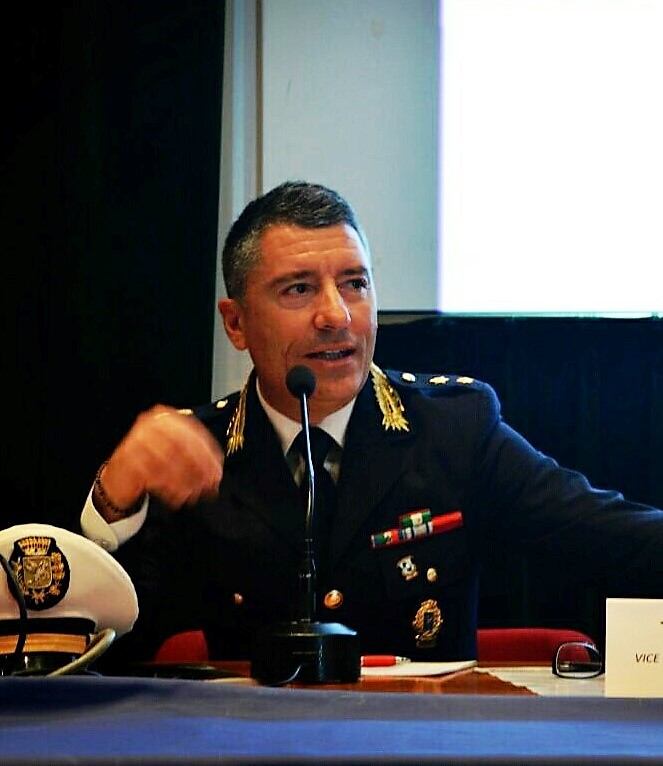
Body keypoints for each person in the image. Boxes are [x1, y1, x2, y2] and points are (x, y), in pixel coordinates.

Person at [80, 180, 663, 667]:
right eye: (299, 289)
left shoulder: (452, 431)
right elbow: (96, 648)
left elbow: (609, 536)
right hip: (257, 747)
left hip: (420, 745)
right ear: (236, 324)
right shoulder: (197, 454)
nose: (337, 315)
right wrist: (113, 501)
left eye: (355, 284)